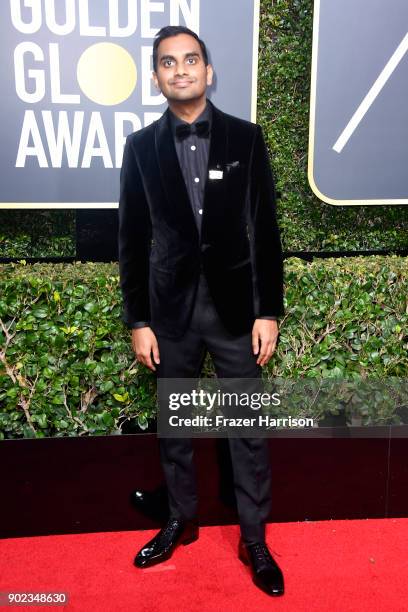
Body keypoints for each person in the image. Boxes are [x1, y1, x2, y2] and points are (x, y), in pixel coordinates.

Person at [118, 25, 285, 596]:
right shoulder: (140, 147)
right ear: (158, 76)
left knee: (247, 427)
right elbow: (131, 237)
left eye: (191, 60)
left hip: (237, 309)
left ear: (209, 72)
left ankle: (255, 537)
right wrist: (138, 320)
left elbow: (263, 229)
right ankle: (179, 521)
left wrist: (269, 311)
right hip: (171, 313)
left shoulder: (246, 138)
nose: (181, 70)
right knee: (177, 426)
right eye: (168, 62)